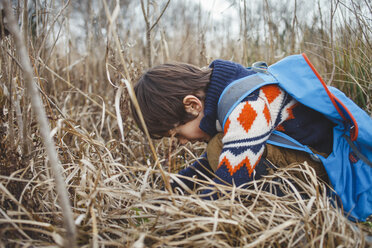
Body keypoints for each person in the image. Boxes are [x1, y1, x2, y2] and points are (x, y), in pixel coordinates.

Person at [130, 59, 334, 197]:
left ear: (193, 105)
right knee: (220, 147)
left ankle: (293, 200)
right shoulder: (231, 92)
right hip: (309, 159)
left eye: (176, 134)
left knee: (216, 146)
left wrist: (190, 210)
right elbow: (221, 160)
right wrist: (172, 186)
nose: (182, 142)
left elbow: (229, 183)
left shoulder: (247, 107)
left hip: (323, 171)